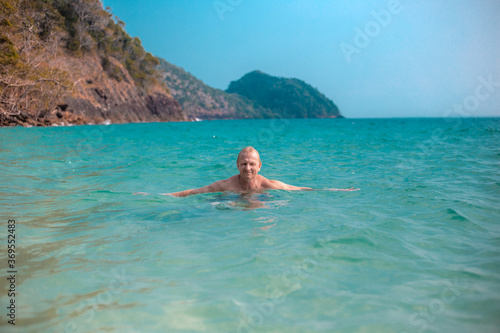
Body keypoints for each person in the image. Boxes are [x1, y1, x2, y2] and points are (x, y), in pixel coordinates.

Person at [165, 146, 358, 197]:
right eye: (243, 164)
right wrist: (162, 196)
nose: (247, 168)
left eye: (251, 164)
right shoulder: (226, 185)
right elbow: (195, 191)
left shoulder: (268, 184)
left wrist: (337, 191)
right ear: (237, 166)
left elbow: (298, 189)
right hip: (232, 201)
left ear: (259, 166)